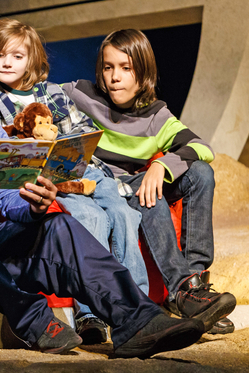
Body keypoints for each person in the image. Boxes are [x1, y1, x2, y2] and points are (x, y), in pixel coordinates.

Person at [0, 10, 205, 358]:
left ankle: (137, 320)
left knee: (57, 224)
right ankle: (30, 317)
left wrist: (33, 204)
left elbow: (6, 198)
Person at [0, 18, 148, 344]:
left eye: (17, 56)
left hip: (75, 167)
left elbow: (80, 130)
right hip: (37, 174)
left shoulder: (51, 93)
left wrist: (74, 146)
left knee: (122, 213)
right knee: (90, 216)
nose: (7, 63)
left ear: (32, 59)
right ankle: (89, 312)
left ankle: (139, 304)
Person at [63, 29, 236, 333]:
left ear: (143, 75)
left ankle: (196, 288)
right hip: (108, 187)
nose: (115, 76)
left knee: (201, 174)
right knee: (150, 197)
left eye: (126, 68)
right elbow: (32, 89)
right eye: (108, 67)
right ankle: (180, 292)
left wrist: (162, 166)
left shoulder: (156, 116)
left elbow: (202, 148)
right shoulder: (82, 94)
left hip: (140, 180)